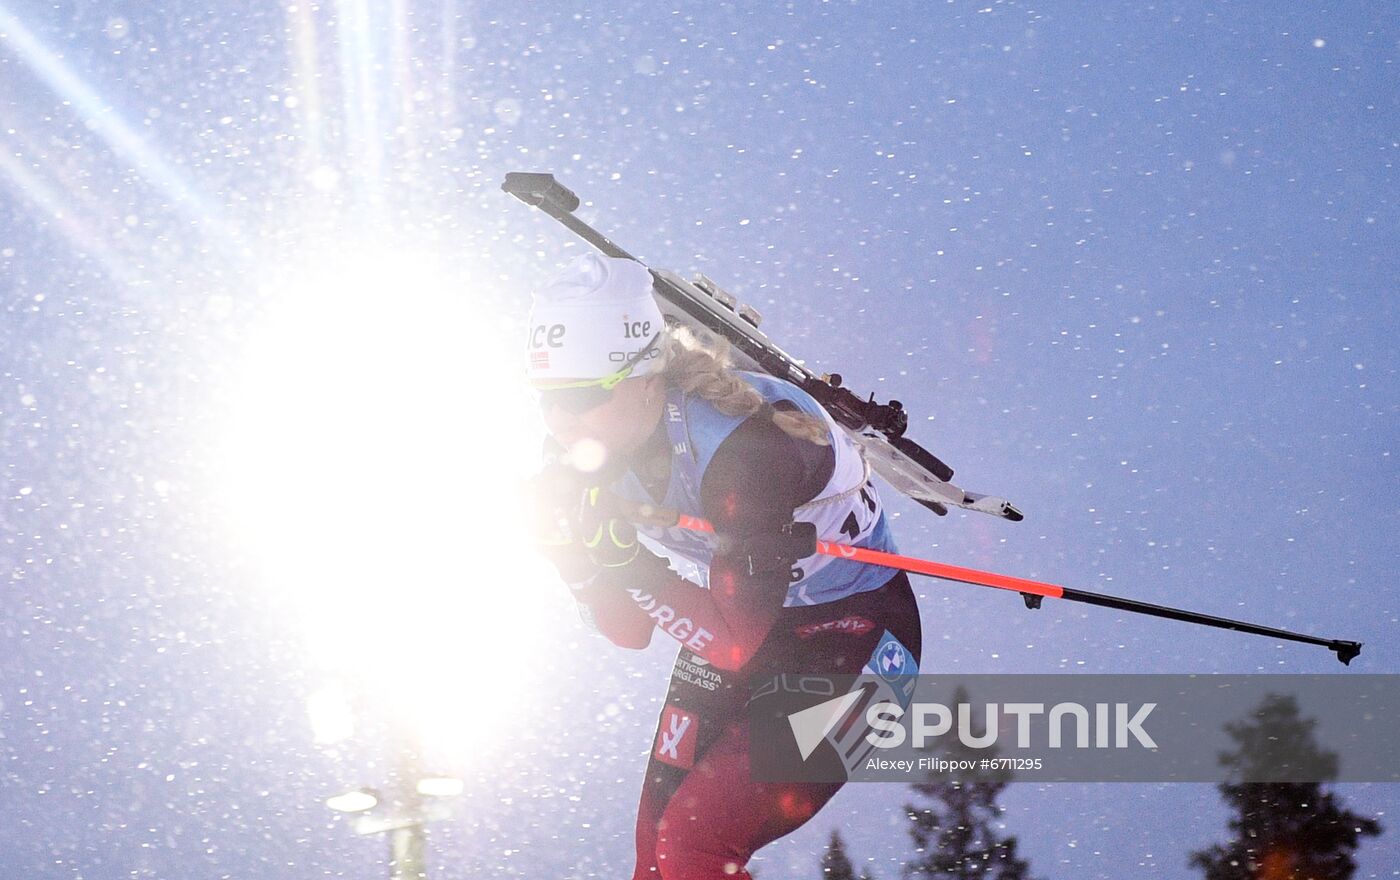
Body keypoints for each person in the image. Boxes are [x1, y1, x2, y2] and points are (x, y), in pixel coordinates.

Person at [525, 252, 922, 880]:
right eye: (548, 399)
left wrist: (620, 556)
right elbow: (629, 631)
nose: (561, 422)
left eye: (581, 395)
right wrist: (572, 556)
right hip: (746, 624)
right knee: (654, 855)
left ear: (646, 376)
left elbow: (734, 645)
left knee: (692, 843)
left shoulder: (747, 453)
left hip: (865, 651)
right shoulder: (578, 449)